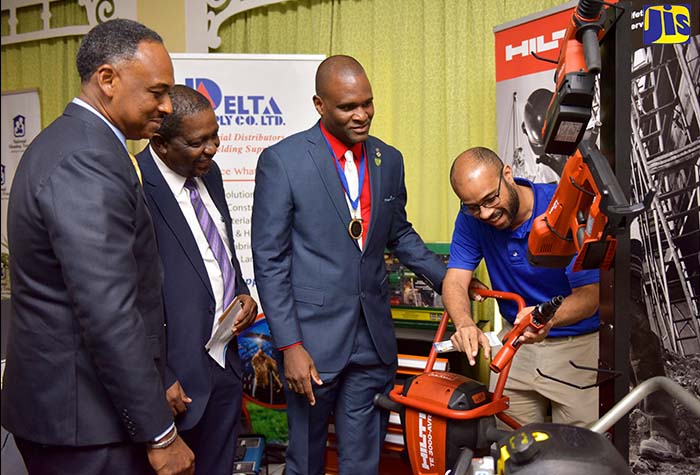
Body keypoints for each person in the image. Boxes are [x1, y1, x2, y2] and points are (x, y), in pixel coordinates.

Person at [2, 19, 194, 475]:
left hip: (82, 413)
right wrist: (160, 433)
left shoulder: (81, 143)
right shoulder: (86, 158)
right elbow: (108, 310)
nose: (168, 106)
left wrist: (155, 380)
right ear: (107, 79)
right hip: (83, 422)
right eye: (156, 92)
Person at [251, 55, 446, 475]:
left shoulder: (388, 160)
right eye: (348, 107)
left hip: (372, 342)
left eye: (368, 103)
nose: (362, 115)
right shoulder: (282, 162)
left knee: (362, 464)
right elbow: (270, 260)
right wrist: (289, 346)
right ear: (320, 105)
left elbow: (400, 235)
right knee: (306, 461)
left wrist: (452, 282)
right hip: (311, 345)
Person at [136, 85, 258, 474]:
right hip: (174, 380)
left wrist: (242, 293)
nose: (212, 149)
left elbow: (222, 247)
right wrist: (160, 376)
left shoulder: (212, 174)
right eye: (197, 142)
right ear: (160, 142)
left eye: (215, 136)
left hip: (224, 362)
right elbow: (128, 295)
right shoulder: (136, 186)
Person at [443, 146, 601, 427]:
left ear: (508, 174)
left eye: (491, 199)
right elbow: (455, 280)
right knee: (511, 450)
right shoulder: (470, 218)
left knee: (578, 454)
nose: (485, 213)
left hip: (574, 350)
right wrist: (464, 322)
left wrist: (546, 317)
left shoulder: (563, 208)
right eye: (473, 207)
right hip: (514, 347)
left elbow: (589, 298)